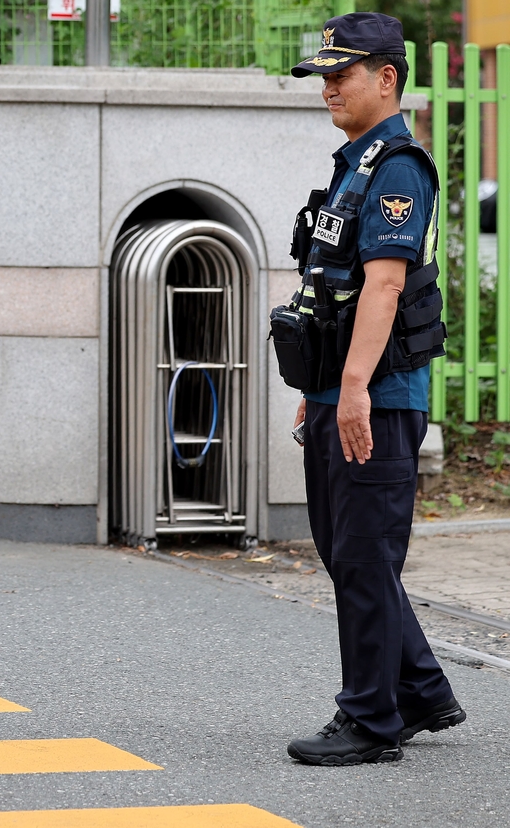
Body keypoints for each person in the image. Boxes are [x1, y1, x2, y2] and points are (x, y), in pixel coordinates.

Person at [283, 12, 465, 766]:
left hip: (379, 397)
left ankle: (370, 720)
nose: (329, 87)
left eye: (343, 74)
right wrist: (323, 388)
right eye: (323, 75)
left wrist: (354, 387)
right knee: (347, 551)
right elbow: (334, 287)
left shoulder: (397, 166)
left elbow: (385, 286)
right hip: (341, 391)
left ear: (386, 78)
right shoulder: (355, 160)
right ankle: (418, 690)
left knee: (362, 557)